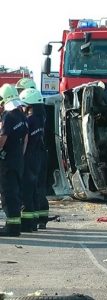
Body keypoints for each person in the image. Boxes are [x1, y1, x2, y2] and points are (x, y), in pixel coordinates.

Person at [0, 84, 28, 236]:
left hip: (7, 162)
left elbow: (2, 140)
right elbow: (25, 140)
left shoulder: (8, 116)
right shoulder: (21, 115)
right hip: (18, 160)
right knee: (15, 192)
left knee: (8, 193)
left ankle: (11, 227)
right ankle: (15, 225)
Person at [19, 88, 45, 232]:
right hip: (37, 158)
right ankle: (33, 222)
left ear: (29, 105)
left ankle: (27, 223)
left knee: (26, 192)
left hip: (28, 158)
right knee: (33, 190)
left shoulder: (29, 121)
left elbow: (24, 141)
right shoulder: (41, 119)